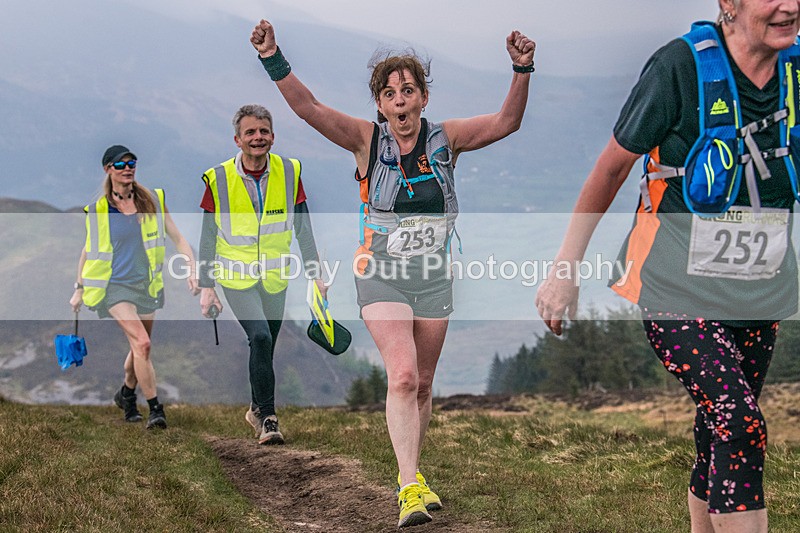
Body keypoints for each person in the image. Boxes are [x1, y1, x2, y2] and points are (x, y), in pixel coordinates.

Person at [250, 19, 535, 528]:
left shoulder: (448, 139)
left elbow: (507, 121)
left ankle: (414, 472)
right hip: (379, 272)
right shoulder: (366, 142)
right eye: (389, 93)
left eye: (408, 91)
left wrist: (521, 68)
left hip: (433, 274)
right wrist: (273, 57)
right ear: (380, 105)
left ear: (423, 97)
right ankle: (407, 487)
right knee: (401, 375)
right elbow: (309, 108)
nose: (400, 101)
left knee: (422, 384)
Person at [536, 2, 800, 532]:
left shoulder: (795, 72)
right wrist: (566, 267)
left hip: (760, 295)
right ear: (729, 2)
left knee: (719, 431)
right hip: (677, 292)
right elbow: (611, 169)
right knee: (741, 424)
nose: (789, 5)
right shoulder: (678, 68)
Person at [197, 104, 325, 446]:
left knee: (266, 345)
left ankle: (255, 407)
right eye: (250, 132)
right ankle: (268, 419)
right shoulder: (220, 178)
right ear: (237, 139)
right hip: (235, 277)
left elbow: (302, 226)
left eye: (264, 131)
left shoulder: (288, 171)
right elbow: (208, 235)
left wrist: (316, 273)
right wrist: (206, 286)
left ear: (273, 136)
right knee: (261, 338)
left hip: (274, 276)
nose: (258, 138)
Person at [70, 145, 199, 429]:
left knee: (139, 349)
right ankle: (155, 409)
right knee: (143, 343)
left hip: (146, 286)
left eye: (131, 162)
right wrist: (79, 287)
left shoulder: (152, 200)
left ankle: (126, 394)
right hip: (114, 289)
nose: (127, 167)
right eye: (120, 164)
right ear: (108, 169)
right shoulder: (99, 210)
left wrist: (192, 268)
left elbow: (177, 238)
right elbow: (87, 250)